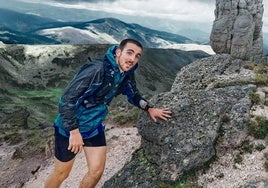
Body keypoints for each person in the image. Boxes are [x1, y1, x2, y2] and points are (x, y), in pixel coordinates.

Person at [44, 38, 172, 188]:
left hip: (93, 127)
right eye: (129, 53)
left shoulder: (126, 73)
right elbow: (67, 100)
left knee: (96, 171)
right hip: (69, 128)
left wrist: (149, 108)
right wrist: (74, 131)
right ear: (118, 52)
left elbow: (133, 95)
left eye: (137, 56)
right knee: (62, 174)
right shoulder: (96, 70)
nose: (133, 59)